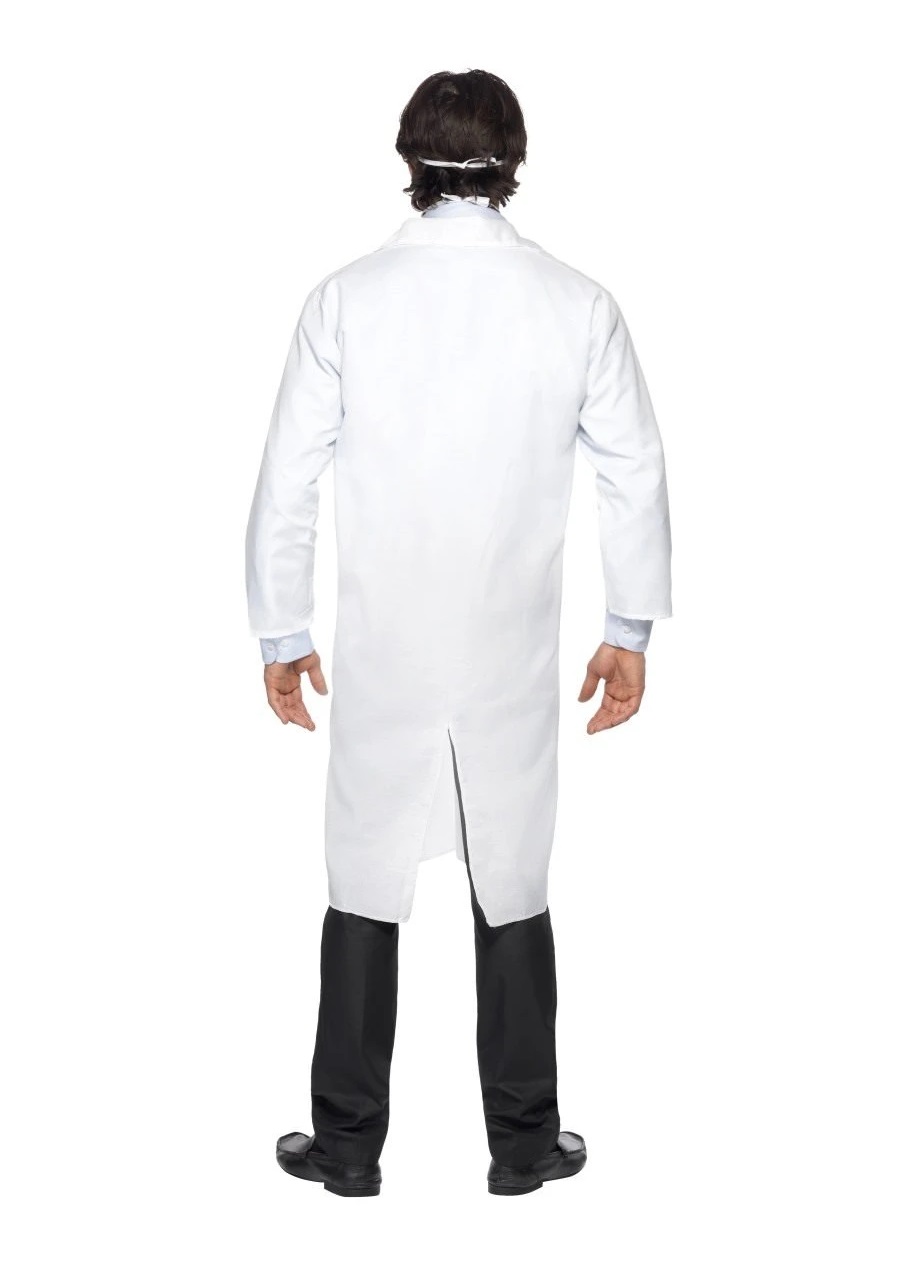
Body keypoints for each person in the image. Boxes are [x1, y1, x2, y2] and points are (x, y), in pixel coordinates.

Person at [245, 68, 672, 1198]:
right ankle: (525, 1145)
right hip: (509, 649)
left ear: (410, 159)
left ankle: (346, 1148)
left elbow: (287, 481)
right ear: (514, 161)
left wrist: (282, 632)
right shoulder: (578, 303)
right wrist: (627, 626)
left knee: (361, 880)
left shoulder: (345, 299)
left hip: (384, 645)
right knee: (514, 880)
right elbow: (634, 469)